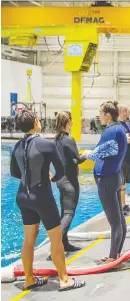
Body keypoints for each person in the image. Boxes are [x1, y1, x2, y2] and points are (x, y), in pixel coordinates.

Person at [10, 110, 85, 291]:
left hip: (22, 196)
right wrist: (49, 177)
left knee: (29, 238)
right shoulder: (46, 144)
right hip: (42, 196)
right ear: (36, 122)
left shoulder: (17, 146)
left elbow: (14, 173)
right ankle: (64, 279)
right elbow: (60, 171)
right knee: (55, 238)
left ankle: (29, 279)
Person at [85, 101, 128, 264]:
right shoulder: (119, 129)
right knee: (119, 219)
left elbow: (97, 153)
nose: (100, 116)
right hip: (115, 177)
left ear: (108, 115)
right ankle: (116, 253)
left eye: (101, 113)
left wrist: (85, 155)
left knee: (114, 221)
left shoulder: (111, 131)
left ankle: (112, 257)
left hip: (107, 180)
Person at [50, 111, 87, 257]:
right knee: (69, 213)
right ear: (69, 121)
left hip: (60, 181)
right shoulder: (68, 139)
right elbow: (78, 159)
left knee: (63, 212)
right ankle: (55, 245)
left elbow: (65, 158)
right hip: (70, 182)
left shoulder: (56, 140)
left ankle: (64, 243)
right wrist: (87, 155)